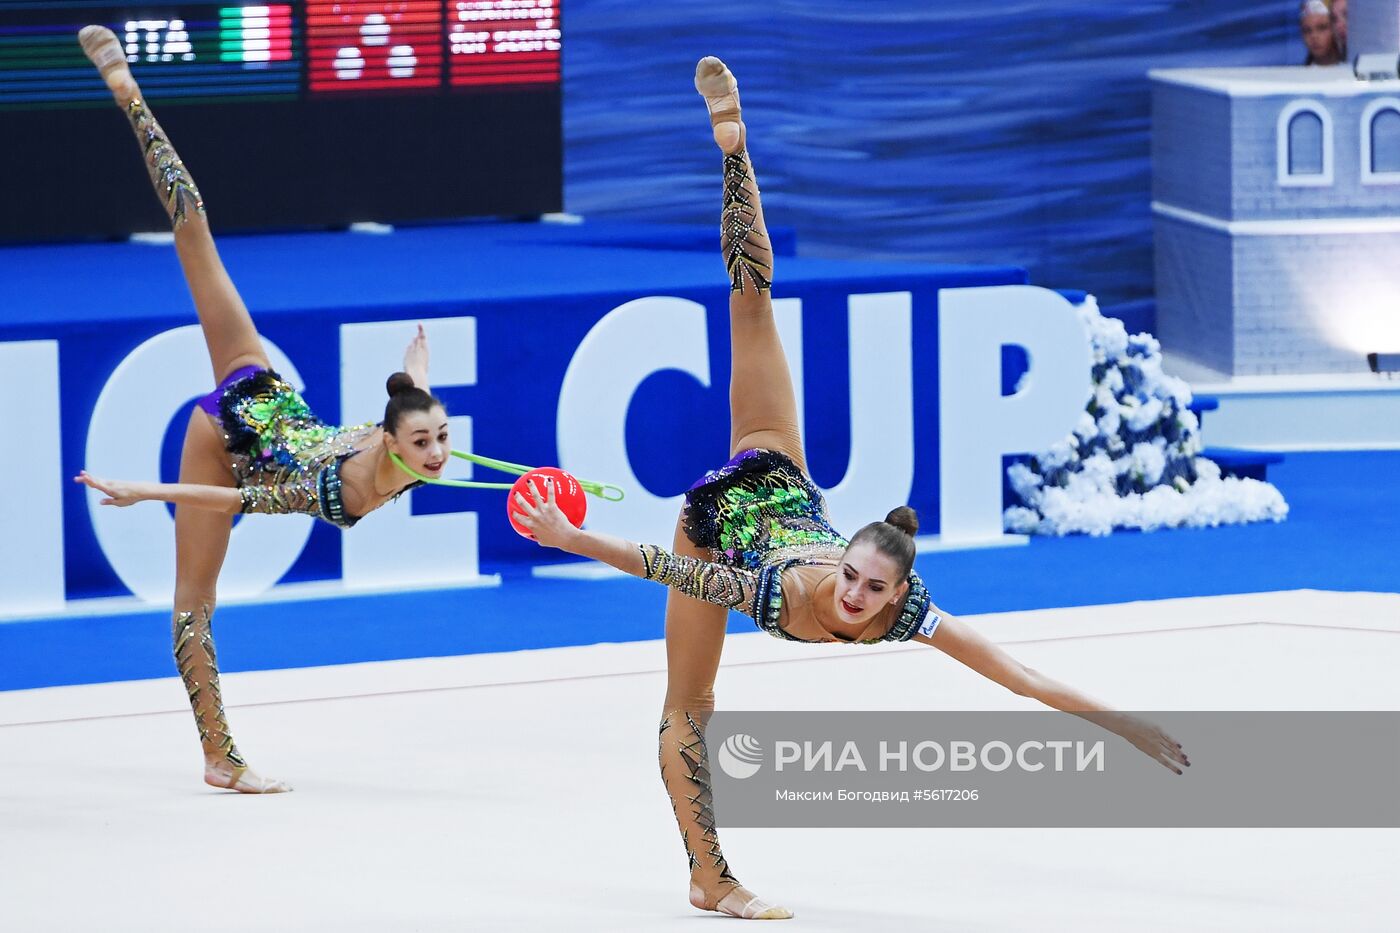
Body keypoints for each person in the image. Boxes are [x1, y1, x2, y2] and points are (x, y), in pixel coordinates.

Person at [511, 57, 1191, 921]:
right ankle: (710, 878)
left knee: (752, 307)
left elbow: (1016, 674)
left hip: (783, 475)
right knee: (690, 701)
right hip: (718, 519)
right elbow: (661, 565)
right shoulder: (778, 588)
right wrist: (573, 538)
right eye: (853, 580)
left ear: (897, 589)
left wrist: (1122, 722)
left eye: (871, 587)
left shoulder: (907, 611)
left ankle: (735, 146)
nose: (854, 595)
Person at [71, 27, 451, 794]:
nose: (440, 452)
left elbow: (408, 408)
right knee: (193, 606)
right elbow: (232, 497)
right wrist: (148, 493)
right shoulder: (340, 489)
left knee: (197, 238)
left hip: (273, 402)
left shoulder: (407, 445)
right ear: (390, 441)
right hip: (230, 431)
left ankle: (217, 753)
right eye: (426, 440)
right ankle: (219, 753)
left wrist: (417, 375)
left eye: (442, 436)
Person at [1300, 0, 1343, 66]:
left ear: (1334, 28)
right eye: (1307, 31)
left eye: (1322, 28)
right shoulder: (1298, 74)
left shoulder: (1350, 69)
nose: (1314, 37)